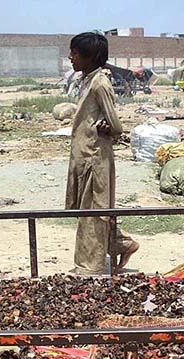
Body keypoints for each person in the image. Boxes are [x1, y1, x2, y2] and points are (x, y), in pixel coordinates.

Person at [66, 32, 138, 275]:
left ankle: (90, 267)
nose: (70, 57)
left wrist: (105, 127)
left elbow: (116, 126)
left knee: (93, 213)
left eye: (74, 53)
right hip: (85, 155)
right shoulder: (88, 80)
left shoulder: (100, 83)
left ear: (89, 56)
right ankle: (121, 243)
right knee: (89, 209)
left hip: (95, 158)